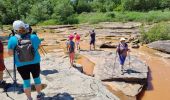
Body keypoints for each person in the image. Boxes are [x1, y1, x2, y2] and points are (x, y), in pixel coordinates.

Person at [8, 20, 44, 100]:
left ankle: (29, 98)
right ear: (25, 27)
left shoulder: (12, 39)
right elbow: (38, 46)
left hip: (21, 64)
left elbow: (10, 53)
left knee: (26, 82)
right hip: (34, 63)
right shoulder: (33, 37)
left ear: (14, 29)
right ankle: (39, 95)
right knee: (37, 79)